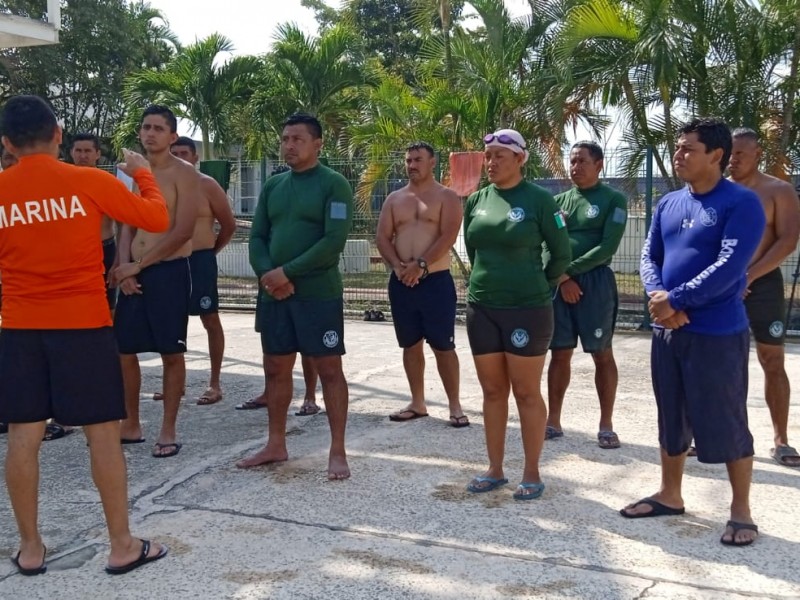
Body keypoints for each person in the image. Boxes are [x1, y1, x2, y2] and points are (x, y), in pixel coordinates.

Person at [0, 94, 169, 574]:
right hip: (84, 326)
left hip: (19, 328)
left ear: (8, 143)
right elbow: (155, 218)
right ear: (58, 135)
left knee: (22, 439)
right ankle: (121, 544)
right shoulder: (88, 181)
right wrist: (141, 172)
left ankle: (31, 549)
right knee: (102, 438)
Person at [623, 118, 765, 547]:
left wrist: (676, 301)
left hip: (717, 332)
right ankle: (670, 494)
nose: (678, 155)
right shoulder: (669, 204)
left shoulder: (740, 203)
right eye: (677, 148)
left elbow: (730, 267)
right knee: (671, 414)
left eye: (688, 149)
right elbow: (650, 255)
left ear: (716, 156)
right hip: (668, 330)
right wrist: (659, 297)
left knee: (726, 420)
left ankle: (741, 511)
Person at [238, 113, 353, 480]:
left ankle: (337, 450)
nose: (288, 145)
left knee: (329, 370)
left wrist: (286, 273)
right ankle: (276, 443)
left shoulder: (334, 185)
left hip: (317, 295)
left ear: (317, 144)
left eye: (297, 139)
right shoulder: (274, 186)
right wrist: (268, 276)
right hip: (275, 296)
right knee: (275, 368)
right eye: (285, 138)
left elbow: (333, 242)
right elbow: (257, 237)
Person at [463, 129, 571, 500]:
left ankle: (532, 472)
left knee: (526, 392)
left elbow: (561, 254)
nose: (491, 163)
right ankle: (494, 469)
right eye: (488, 155)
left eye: (500, 157)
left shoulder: (540, 200)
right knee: (493, 391)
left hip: (527, 308)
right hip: (482, 307)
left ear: (521, 159)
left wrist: (540, 285)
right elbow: (475, 252)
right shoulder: (476, 200)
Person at [111, 105, 200, 457]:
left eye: (158, 128)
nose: (150, 134)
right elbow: (125, 225)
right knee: (124, 350)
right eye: (146, 127)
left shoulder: (184, 174)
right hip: (134, 270)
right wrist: (123, 266)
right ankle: (131, 423)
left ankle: (168, 428)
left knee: (170, 351)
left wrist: (142, 264)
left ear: (172, 136)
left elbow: (183, 230)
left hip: (168, 270)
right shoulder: (131, 173)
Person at [376, 141, 468, 427]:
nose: (412, 165)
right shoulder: (394, 199)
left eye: (418, 160)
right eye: (408, 160)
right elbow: (382, 237)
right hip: (402, 281)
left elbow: (447, 236)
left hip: (435, 281)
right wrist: (397, 266)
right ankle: (418, 402)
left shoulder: (447, 197)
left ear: (432, 162)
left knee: (443, 345)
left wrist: (421, 266)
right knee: (410, 344)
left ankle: (454, 404)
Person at [546, 141, 628, 448]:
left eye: (582, 161)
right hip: (560, 283)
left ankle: (606, 424)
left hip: (595, 285)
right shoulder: (559, 202)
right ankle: (553, 420)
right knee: (560, 352)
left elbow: (607, 246)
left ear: (599, 165)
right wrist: (561, 277)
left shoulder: (614, 200)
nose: (575, 167)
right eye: (572, 161)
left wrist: (570, 272)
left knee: (601, 353)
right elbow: (546, 242)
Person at [728, 128, 800, 468]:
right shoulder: (715, 190)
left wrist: (750, 275)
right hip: (723, 286)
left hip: (763, 284)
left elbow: (786, 240)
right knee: (723, 362)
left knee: (773, 360)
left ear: (758, 154)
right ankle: (723, 433)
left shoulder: (777, 190)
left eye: (741, 153)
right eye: (729, 152)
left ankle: (781, 439)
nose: (733, 159)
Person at [168, 136, 236, 405]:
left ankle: (215, 383)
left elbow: (228, 225)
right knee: (171, 323)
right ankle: (175, 383)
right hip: (170, 262)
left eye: (185, 153)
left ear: (195, 157)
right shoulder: (161, 184)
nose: (180, 157)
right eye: (175, 153)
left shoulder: (207, 185)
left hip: (200, 260)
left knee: (209, 319)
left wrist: (210, 252)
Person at [70, 133, 118, 313]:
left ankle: (108, 340)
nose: (83, 155)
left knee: (107, 306)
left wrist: (119, 258)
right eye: (79, 150)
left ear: (97, 154)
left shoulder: (108, 183)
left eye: (88, 151)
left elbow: (122, 223)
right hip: (75, 252)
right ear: (71, 153)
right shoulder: (63, 182)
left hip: (104, 248)